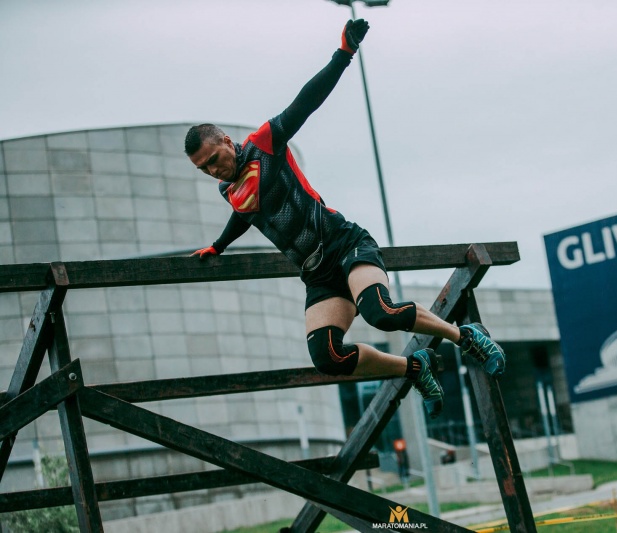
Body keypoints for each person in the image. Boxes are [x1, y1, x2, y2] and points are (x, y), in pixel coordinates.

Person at [186, 20, 505, 418]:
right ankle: (414, 367)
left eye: (214, 159)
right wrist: (218, 246)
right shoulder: (228, 190)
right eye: (203, 168)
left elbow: (306, 101)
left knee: (380, 313)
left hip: (344, 244)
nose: (213, 170)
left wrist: (344, 53)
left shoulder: (264, 145)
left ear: (226, 142)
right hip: (317, 273)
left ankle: (465, 337)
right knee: (328, 356)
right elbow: (244, 215)